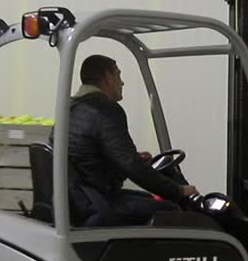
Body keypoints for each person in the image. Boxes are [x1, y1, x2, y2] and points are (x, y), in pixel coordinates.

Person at [63, 54, 198, 226]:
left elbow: (91, 158)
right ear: (107, 77)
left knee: (147, 199)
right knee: (170, 210)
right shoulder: (106, 110)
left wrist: (132, 160)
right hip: (95, 201)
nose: (122, 82)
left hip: (80, 197)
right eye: (119, 75)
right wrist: (177, 191)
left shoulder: (71, 108)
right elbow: (130, 165)